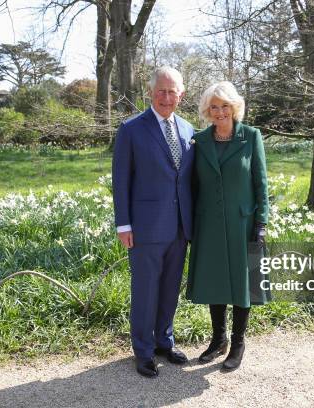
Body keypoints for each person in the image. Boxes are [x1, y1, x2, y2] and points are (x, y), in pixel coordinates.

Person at [112, 67, 195, 378]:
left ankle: (164, 341)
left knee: (170, 289)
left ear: (181, 95)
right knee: (146, 290)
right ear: (150, 92)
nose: (167, 97)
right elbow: (121, 181)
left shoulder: (188, 130)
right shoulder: (131, 129)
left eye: (173, 91)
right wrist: (124, 225)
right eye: (161, 90)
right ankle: (143, 351)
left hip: (179, 227)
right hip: (145, 228)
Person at [186, 81, 269, 371]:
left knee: (243, 283)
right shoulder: (199, 141)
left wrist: (262, 223)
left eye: (224, 106)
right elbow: (192, 186)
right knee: (216, 280)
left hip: (242, 223)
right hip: (208, 222)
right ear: (207, 111)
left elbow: (261, 183)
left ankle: (238, 343)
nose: (219, 112)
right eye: (213, 107)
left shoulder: (251, 137)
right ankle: (218, 339)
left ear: (234, 107)